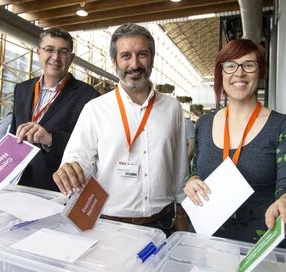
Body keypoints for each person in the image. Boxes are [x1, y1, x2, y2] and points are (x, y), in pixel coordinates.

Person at [53, 23, 188, 236]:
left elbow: (180, 166)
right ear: (115, 60)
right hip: (109, 225)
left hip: (162, 224)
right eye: (126, 55)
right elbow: (78, 158)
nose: (134, 64)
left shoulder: (172, 108)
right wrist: (70, 170)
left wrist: (182, 212)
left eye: (142, 54)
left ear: (152, 57)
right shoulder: (95, 109)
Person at [184, 39, 286, 249]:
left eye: (249, 65)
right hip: (205, 243)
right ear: (220, 73)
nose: (239, 73)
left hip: (260, 247)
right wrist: (192, 181)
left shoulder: (284, 127)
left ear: (260, 73)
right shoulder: (204, 124)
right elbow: (197, 170)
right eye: (230, 65)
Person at [10, 28, 99, 191]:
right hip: (19, 183)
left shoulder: (89, 96)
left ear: (71, 58)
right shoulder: (22, 89)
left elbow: (92, 146)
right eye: (49, 49)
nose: (55, 57)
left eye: (63, 51)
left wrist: (50, 139)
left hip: (57, 187)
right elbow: (13, 133)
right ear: (38, 53)